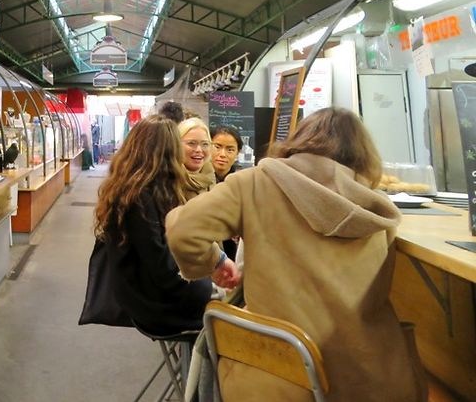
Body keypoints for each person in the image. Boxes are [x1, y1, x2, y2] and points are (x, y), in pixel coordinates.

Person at [166, 108, 427, 402]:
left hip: (275, 374)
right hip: (371, 380)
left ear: (300, 140)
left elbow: (183, 229)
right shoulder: (377, 209)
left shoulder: (254, 183)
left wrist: (213, 263)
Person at [92, 116, 213, 336]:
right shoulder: (141, 199)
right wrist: (208, 288)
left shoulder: (132, 189)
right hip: (153, 305)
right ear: (166, 154)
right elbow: (162, 267)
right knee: (227, 311)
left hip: (142, 295)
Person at [178, 117, 216, 200]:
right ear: (177, 145)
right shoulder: (169, 181)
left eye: (205, 144)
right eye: (191, 143)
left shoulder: (211, 177)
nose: (199, 150)